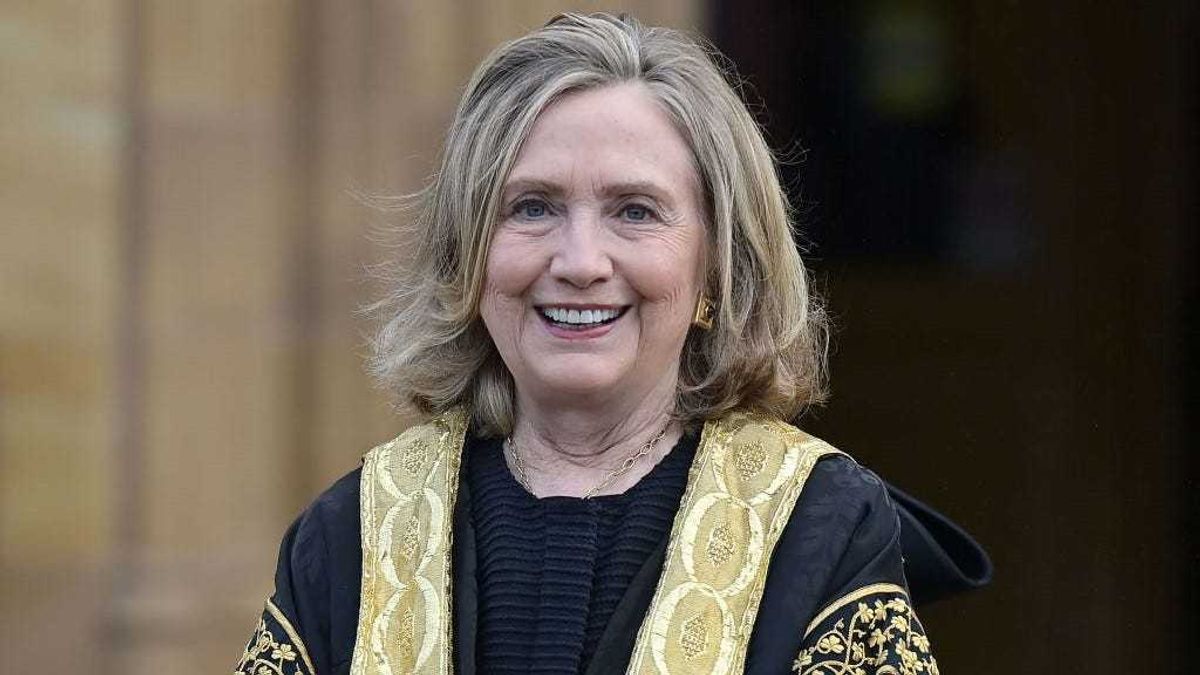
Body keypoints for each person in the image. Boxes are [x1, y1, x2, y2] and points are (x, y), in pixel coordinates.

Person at [236, 13, 982, 675]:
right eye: (532, 207)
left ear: (718, 264)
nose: (581, 260)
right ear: (468, 256)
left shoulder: (821, 531)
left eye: (635, 210)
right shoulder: (355, 533)